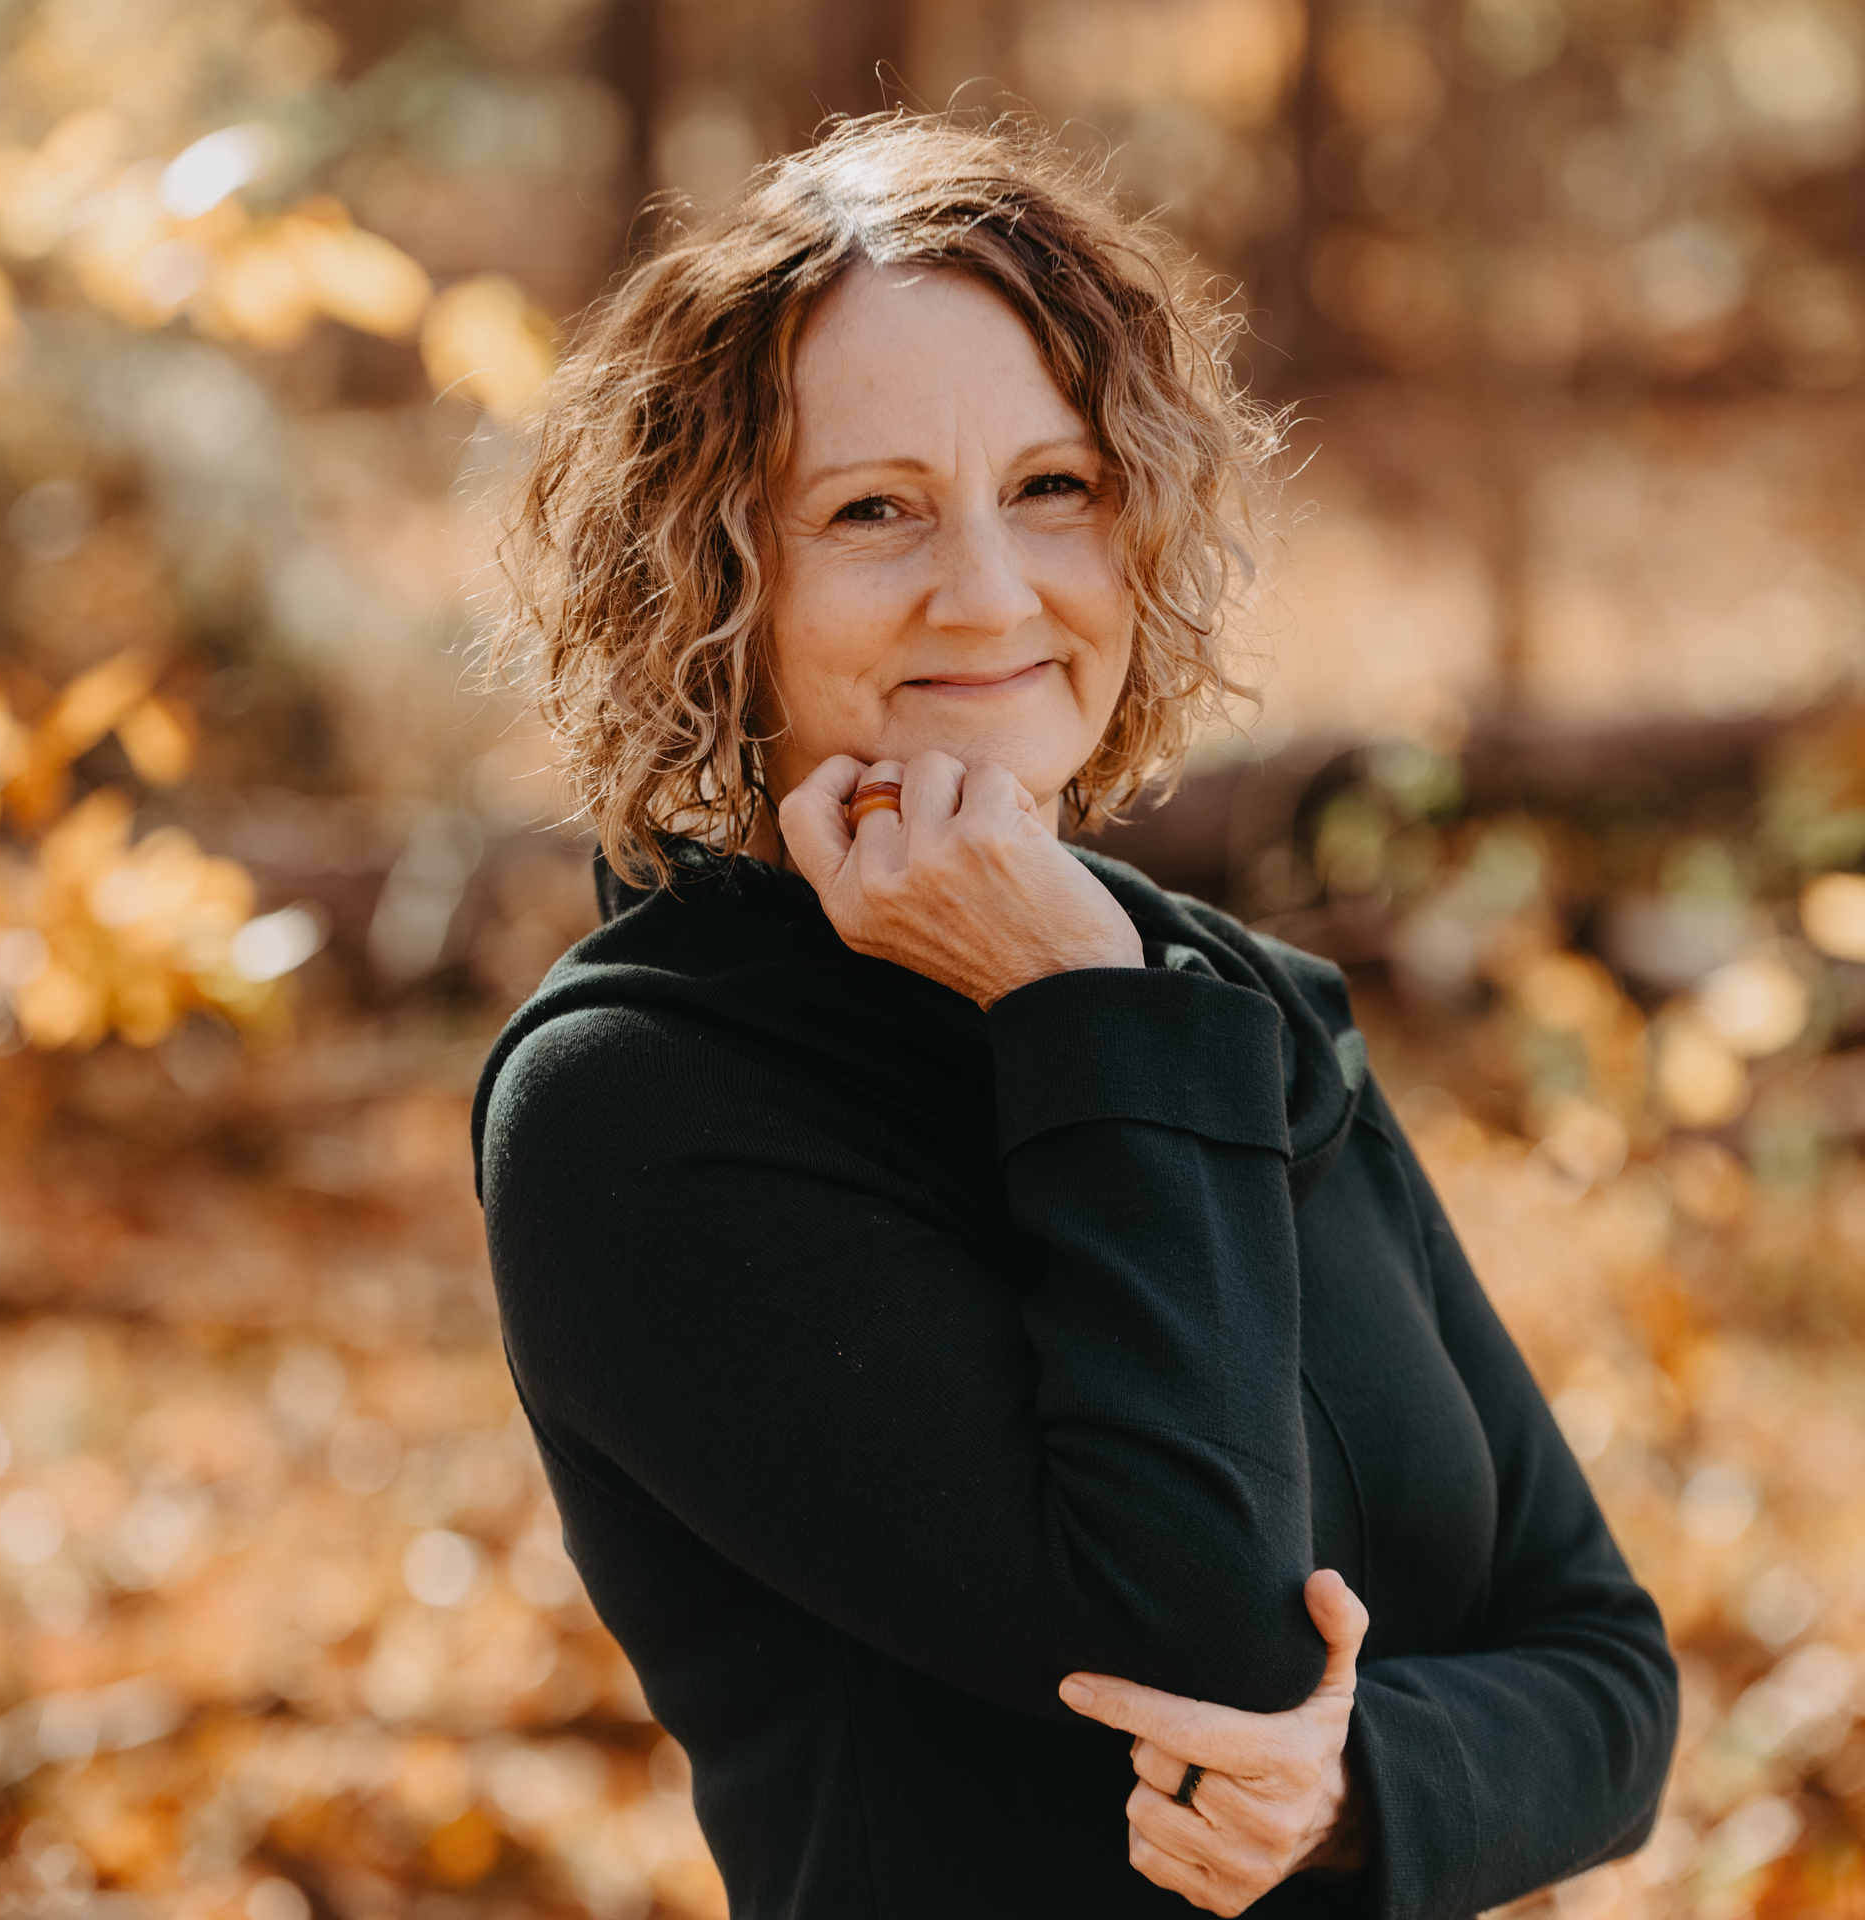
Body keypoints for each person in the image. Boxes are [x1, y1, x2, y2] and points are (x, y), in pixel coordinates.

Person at [472, 114, 1678, 1918]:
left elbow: (1611, 1674)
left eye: (1055, 486)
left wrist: (1364, 1786)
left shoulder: (1233, 1002)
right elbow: (1194, 1635)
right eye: (872, 509)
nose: (990, 592)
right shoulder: (630, 1107)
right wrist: (1071, 1005)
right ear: (715, 580)